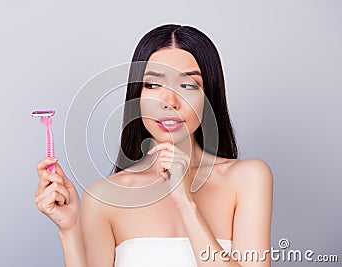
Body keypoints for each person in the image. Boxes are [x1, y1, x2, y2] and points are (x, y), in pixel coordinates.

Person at [35, 24, 273, 267]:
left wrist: (185, 202)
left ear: (209, 96)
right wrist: (70, 229)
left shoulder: (248, 178)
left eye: (188, 85)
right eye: (152, 85)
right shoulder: (104, 197)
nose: (169, 101)